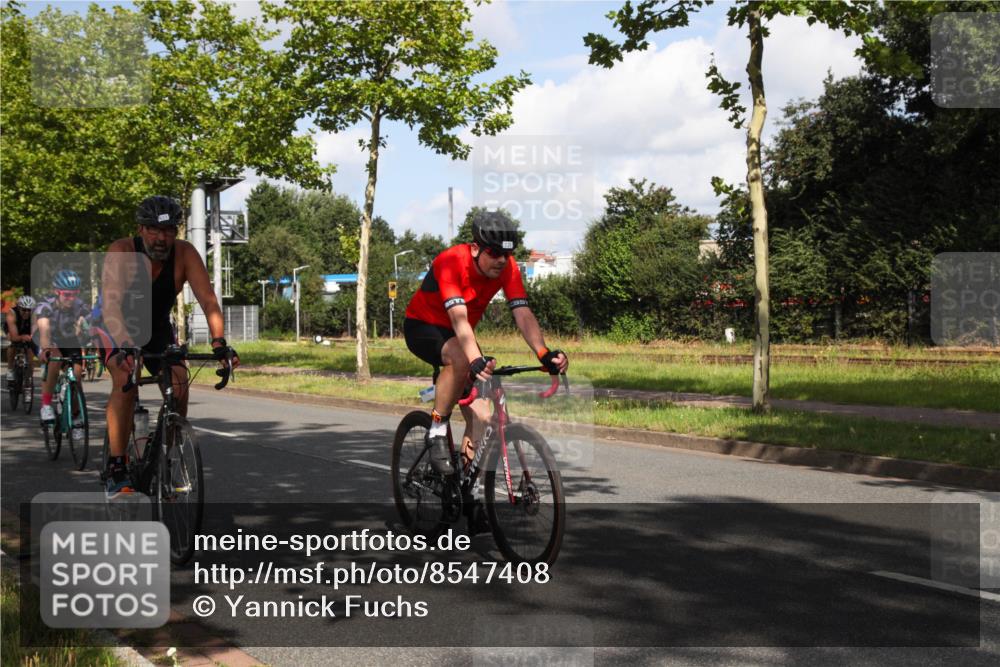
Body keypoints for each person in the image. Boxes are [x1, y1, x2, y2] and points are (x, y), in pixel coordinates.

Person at [403, 210, 568, 475]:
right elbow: (458, 318)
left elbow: (523, 314)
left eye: (507, 253)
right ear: (475, 248)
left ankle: (470, 491)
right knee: (460, 358)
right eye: (494, 253)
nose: (502, 260)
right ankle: (435, 431)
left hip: (461, 335)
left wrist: (544, 353)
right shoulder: (451, 262)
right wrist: (474, 359)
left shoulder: (507, 267)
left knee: (482, 418)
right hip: (424, 327)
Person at [102, 195, 238, 498]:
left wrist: (219, 343)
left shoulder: (185, 254)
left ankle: (167, 451)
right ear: (140, 229)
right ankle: (116, 466)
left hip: (158, 329)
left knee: (179, 382)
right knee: (125, 379)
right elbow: (110, 304)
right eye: (154, 230)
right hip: (117, 327)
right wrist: (124, 345)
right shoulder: (122, 251)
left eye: (169, 231)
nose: (162, 238)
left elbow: (208, 300)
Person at [34, 272, 91, 442]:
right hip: (48, 339)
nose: (71, 298)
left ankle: (75, 416)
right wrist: (46, 348)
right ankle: (46, 405)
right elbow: (44, 330)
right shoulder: (46, 306)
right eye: (67, 294)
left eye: (74, 294)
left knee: (77, 375)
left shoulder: (81, 306)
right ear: (56, 292)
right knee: (55, 357)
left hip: (69, 340)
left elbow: (89, 327)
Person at [5, 295, 38, 383]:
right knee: (12, 343)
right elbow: (14, 337)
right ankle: (10, 369)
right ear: (19, 308)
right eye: (24, 310)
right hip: (14, 328)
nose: (26, 312)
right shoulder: (12, 313)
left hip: (26, 328)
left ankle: (28, 380)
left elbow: (35, 326)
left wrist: (31, 335)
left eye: (29, 310)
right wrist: (21, 337)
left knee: (30, 353)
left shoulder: (34, 314)